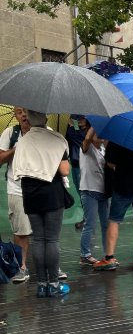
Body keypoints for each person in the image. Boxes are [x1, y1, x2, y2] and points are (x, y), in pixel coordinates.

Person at [12, 110, 71, 297]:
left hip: (30, 193)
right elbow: (64, 171)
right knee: (51, 239)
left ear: (29, 119)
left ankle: (41, 284)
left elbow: (18, 169)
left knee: (38, 239)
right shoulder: (57, 138)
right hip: (51, 193)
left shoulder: (23, 141)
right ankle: (54, 284)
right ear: (45, 118)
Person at [93, 141, 133, 271]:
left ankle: (109, 258)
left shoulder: (118, 138)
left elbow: (110, 162)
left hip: (122, 185)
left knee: (114, 221)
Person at [0, 107, 33, 283]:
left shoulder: (45, 133)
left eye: (27, 111)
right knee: (21, 231)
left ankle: (51, 266)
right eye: (19, 112)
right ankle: (21, 267)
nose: (24, 115)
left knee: (46, 233)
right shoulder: (10, 133)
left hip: (41, 190)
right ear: (15, 115)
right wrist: (16, 148)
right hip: (17, 189)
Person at [78, 124, 109, 265]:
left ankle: (108, 254)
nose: (100, 135)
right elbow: (87, 139)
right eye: (98, 133)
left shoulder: (103, 149)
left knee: (106, 224)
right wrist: (96, 123)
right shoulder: (86, 147)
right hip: (89, 189)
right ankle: (85, 254)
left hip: (102, 191)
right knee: (90, 223)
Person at [66, 115, 88, 230]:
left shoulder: (89, 129)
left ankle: (87, 218)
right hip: (75, 163)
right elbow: (68, 139)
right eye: (77, 119)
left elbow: (80, 139)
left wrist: (73, 126)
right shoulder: (72, 127)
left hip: (84, 164)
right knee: (80, 191)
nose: (79, 121)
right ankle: (87, 217)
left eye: (81, 119)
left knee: (84, 192)